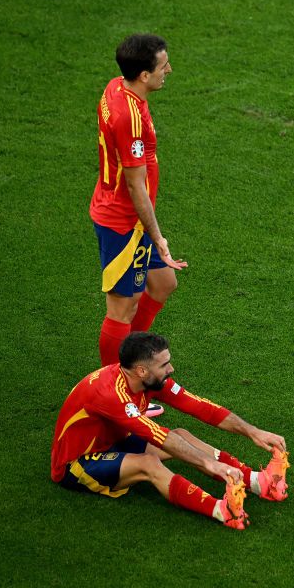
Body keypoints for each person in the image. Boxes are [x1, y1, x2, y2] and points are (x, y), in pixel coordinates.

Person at [50, 332, 290, 530]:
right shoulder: (110, 394)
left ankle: (258, 482)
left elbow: (200, 407)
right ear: (142, 371)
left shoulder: (148, 380)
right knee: (149, 463)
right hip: (77, 463)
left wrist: (253, 431)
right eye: (164, 364)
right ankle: (222, 511)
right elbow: (158, 436)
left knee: (182, 435)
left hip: (113, 441)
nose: (171, 368)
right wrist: (210, 464)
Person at [90, 34, 187, 415]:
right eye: (163, 66)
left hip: (131, 219)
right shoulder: (129, 118)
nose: (169, 70)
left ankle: (134, 362)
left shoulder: (119, 86)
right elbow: (135, 185)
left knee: (164, 283)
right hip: (123, 223)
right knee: (121, 308)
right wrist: (157, 236)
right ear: (144, 74)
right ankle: (116, 391)